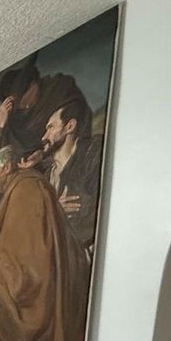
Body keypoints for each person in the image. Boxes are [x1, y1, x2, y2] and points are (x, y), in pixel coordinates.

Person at [0, 147, 89, 341]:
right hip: (26, 276)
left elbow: (30, 259)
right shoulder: (21, 189)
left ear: (7, 168)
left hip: (33, 287)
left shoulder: (25, 190)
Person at [0, 58, 87, 160]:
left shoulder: (58, 89)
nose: (26, 107)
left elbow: (78, 118)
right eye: (21, 106)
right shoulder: (12, 117)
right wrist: (1, 124)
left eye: (28, 101)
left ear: (34, 84)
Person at [40, 98, 103, 253]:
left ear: (69, 126)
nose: (44, 137)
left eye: (51, 127)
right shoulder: (47, 176)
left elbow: (101, 204)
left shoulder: (93, 152)